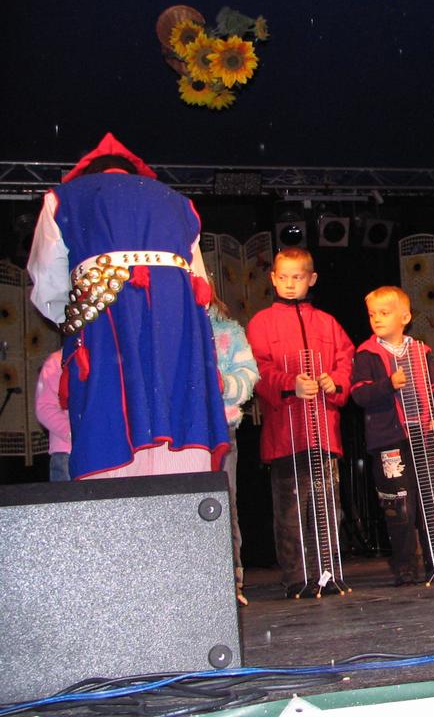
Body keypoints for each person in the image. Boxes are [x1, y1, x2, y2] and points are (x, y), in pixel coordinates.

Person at [26, 132, 229, 479]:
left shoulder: (64, 198)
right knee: (180, 405)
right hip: (175, 322)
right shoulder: (180, 204)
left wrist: (69, 318)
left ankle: (115, 491)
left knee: (109, 410)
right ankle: (182, 489)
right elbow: (199, 284)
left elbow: (46, 278)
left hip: (107, 317)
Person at [246, 247, 354, 597]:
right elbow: (257, 368)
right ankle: (297, 577)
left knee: (327, 507)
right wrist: (288, 384)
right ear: (273, 279)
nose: (290, 283)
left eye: (297, 277)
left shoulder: (328, 323)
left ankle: (328, 573)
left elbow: (346, 360)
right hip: (285, 433)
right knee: (290, 510)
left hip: (323, 430)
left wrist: (334, 382)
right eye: (283, 277)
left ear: (312, 279)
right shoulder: (262, 323)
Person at [351, 286, 434, 586]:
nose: (377, 319)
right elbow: (359, 394)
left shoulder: (422, 351)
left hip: (423, 437)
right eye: (372, 314)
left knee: (433, 501)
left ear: (405, 317)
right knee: (400, 506)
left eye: (384, 313)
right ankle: (406, 566)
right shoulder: (366, 354)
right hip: (389, 441)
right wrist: (388, 384)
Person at [207, 282, 259, 606]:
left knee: (224, 504)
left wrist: (224, 383)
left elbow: (248, 374)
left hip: (219, 427)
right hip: (181, 433)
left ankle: (231, 582)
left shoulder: (227, 331)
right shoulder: (166, 328)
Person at [34, 349, 71, 481]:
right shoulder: (57, 361)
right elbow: (44, 407)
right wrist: (72, 432)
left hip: (100, 452)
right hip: (67, 453)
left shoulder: (103, 357)